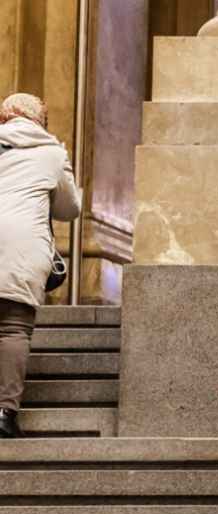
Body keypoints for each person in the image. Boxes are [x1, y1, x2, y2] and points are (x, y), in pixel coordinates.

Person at [0, 93, 81, 439]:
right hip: (23, 246)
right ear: (39, 121)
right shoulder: (52, 153)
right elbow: (69, 208)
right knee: (14, 329)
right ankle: (4, 412)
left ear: (6, 116)